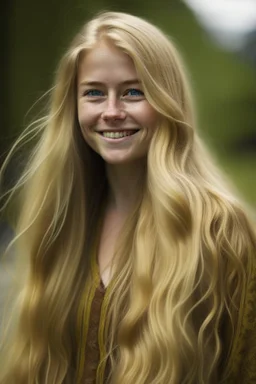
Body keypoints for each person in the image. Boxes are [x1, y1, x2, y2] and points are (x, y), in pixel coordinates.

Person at [0, 11, 256, 384]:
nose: (112, 112)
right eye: (94, 93)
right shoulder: (59, 220)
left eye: (134, 92)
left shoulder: (221, 229)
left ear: (168, 100)